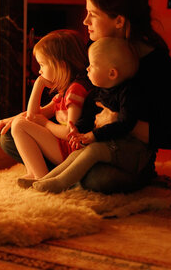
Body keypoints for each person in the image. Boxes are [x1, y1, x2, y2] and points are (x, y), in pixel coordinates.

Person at [0, 0, 171, 194]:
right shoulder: (95, 47)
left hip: (122, 152)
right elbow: (73, 95)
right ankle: (68, 173)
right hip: (82, 139)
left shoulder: (156, 64)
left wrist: (118, 120)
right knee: (9, 137)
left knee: (98, 180)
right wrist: (27, 116)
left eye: (93, 15)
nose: (85, 22)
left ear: (119, 21)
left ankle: (72, 174)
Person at [30, 37, 139, 193]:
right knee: (78, 154)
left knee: (93, 152)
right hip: (103, 142)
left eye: (92, 66)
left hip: (124, 148)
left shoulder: (128, 94)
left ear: (112, 73)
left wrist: (93, 136)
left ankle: (60, 184)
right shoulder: (95, 93)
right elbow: (86, 120)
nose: (87, 69)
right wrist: (77, 133)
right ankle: (44, 180)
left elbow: (124, 124)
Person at [9, 29, 91, 182]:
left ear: (60, 65)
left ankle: (41, 176)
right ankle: (34, 173)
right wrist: (39, 84)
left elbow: (70, 132)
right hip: (63, 147)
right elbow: (32, 116)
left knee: (19, 125)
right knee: (19, 123)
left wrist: (45, 123)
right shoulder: (63, 93)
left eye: (42, 64)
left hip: (72, 150)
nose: (39, 70)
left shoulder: (76, 91)